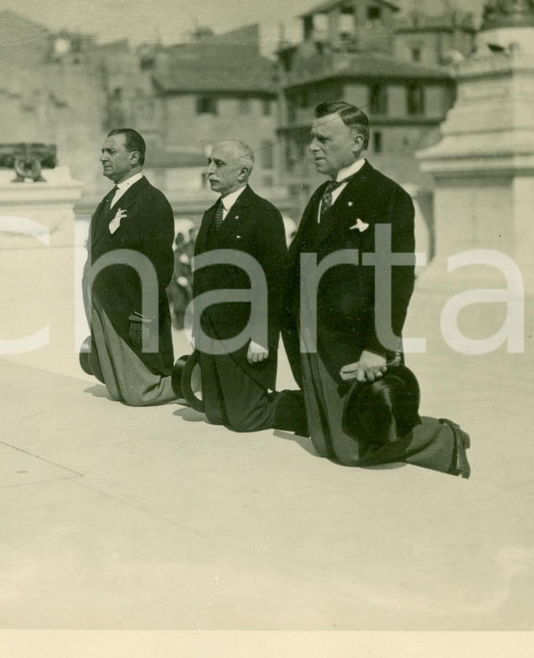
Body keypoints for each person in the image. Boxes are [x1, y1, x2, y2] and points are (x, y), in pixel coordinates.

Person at [282, 101, 470, 475]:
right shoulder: (320, 197)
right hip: (314, 337)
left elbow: (396, 279)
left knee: (356, 449)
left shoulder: (388, 197)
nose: (312, 147)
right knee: (327, 445)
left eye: (323, 138)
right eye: (311, 138)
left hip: (355, 342)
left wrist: (378, 348)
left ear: (356, 142)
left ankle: (444, 438)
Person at [189, 139, 305, 433]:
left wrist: (262, 336)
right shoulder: (208, 216)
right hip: (213, 334)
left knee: (245, 420)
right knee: (214, 415)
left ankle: (312, 406)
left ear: (242, 172)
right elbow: (201, 278)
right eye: (209, 163)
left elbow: (275, 281)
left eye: (219, 164)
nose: (210, 170)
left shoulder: (264, 214)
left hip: (245, 337)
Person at [84, 128, 177, 406]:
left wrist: (143, 314)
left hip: (131, 308)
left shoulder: (152, 200)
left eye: (110, 151)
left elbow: (160, 265)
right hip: (106, 305)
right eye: (103, 151)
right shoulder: (108, 201)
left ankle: (193, 381)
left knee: (140, 393)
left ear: (134, 157)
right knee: (117, 391)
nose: (102, 157)